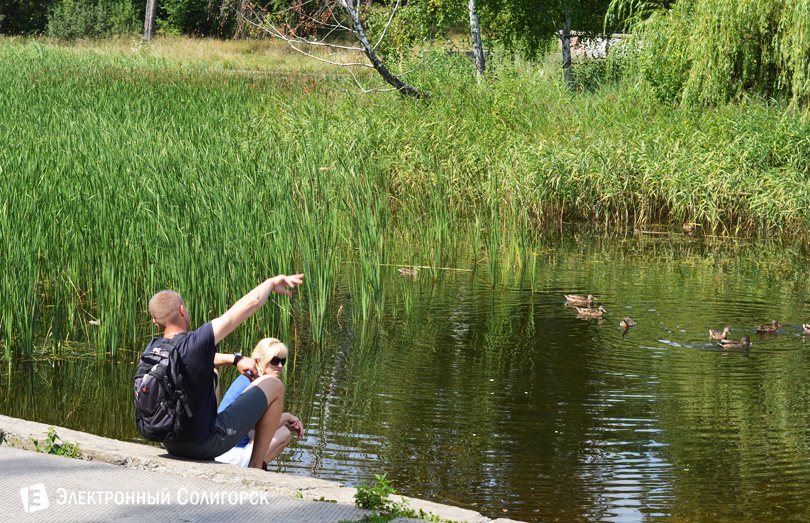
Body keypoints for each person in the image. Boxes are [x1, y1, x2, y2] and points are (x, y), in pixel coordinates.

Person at [145, 273, 304, 469]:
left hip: (168, 442)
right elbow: (251, 303)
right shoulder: (195, 342)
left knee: (212, 373)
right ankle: (255, 469)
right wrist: (270, 283)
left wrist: (234, 359)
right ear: (182, 310)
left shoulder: (152, 349)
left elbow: (201, 361)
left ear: (155, 322)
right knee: (274, 385)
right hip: (203, 445)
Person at [215, 338, 304, 468]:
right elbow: (256, 428)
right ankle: (254, 468)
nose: (280, 366)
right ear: (259, 361)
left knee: (283, 429)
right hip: (229, 455)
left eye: (282, 361)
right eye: (275, 361)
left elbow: (252, 428)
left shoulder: (248, 378)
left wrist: (284, 423)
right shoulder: (257, 384)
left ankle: (256, 467)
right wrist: (287, 417)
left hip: (222, 448)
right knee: (284, 434)